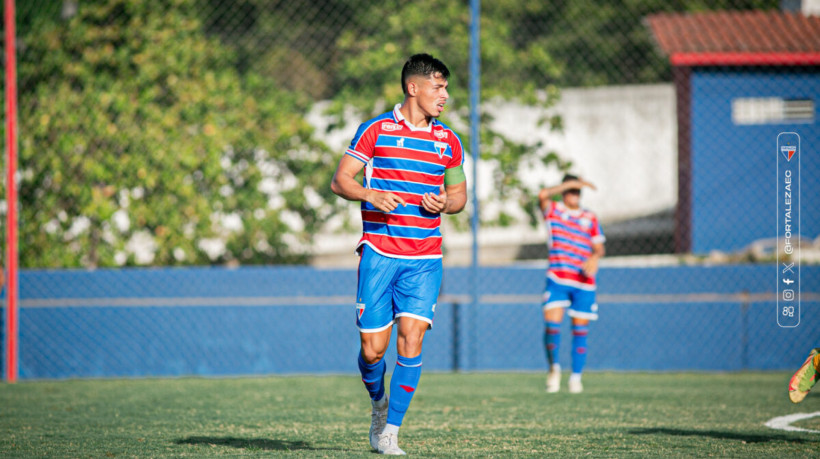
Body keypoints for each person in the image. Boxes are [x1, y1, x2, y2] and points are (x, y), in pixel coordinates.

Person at [331, 53, 467, 455]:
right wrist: (369, 193)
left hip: (425, 257)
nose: (445, 95)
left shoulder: (449, 141)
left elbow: (459, 195)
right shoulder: (375, 131)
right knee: (373, 350)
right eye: (438, 87)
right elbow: (341, 180)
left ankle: (390, 431)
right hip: (379, 252)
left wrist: (446, 202)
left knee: (412, 338)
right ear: (414, 88)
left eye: (445, 87)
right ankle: (378, 404)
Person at [538, 174, 605, 394]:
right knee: (552, 326)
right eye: (570, 190)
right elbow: (542, 195)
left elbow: (599, 247)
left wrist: (595, 258)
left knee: (580, 329)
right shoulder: (554, 210)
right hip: (558, 278)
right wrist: (569, 183)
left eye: (577, 190)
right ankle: (554, 369)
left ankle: (576, 377)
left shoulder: (590, 217)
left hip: (583, 281)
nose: (573, 194)